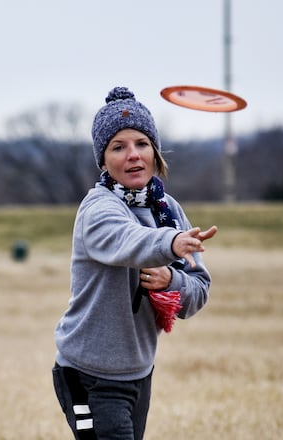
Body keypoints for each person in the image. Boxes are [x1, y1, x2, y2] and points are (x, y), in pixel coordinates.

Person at [51, 86, 218, 440]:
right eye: (118, 147)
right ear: (103, 160)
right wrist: (171, 243)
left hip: (138, 372)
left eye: (141, 144)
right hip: (88, 375)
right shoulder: (98, 210)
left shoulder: (168, 210)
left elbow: (198, 291)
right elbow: (130, 242)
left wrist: (171, 281)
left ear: (155, 152)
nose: (133, 156)